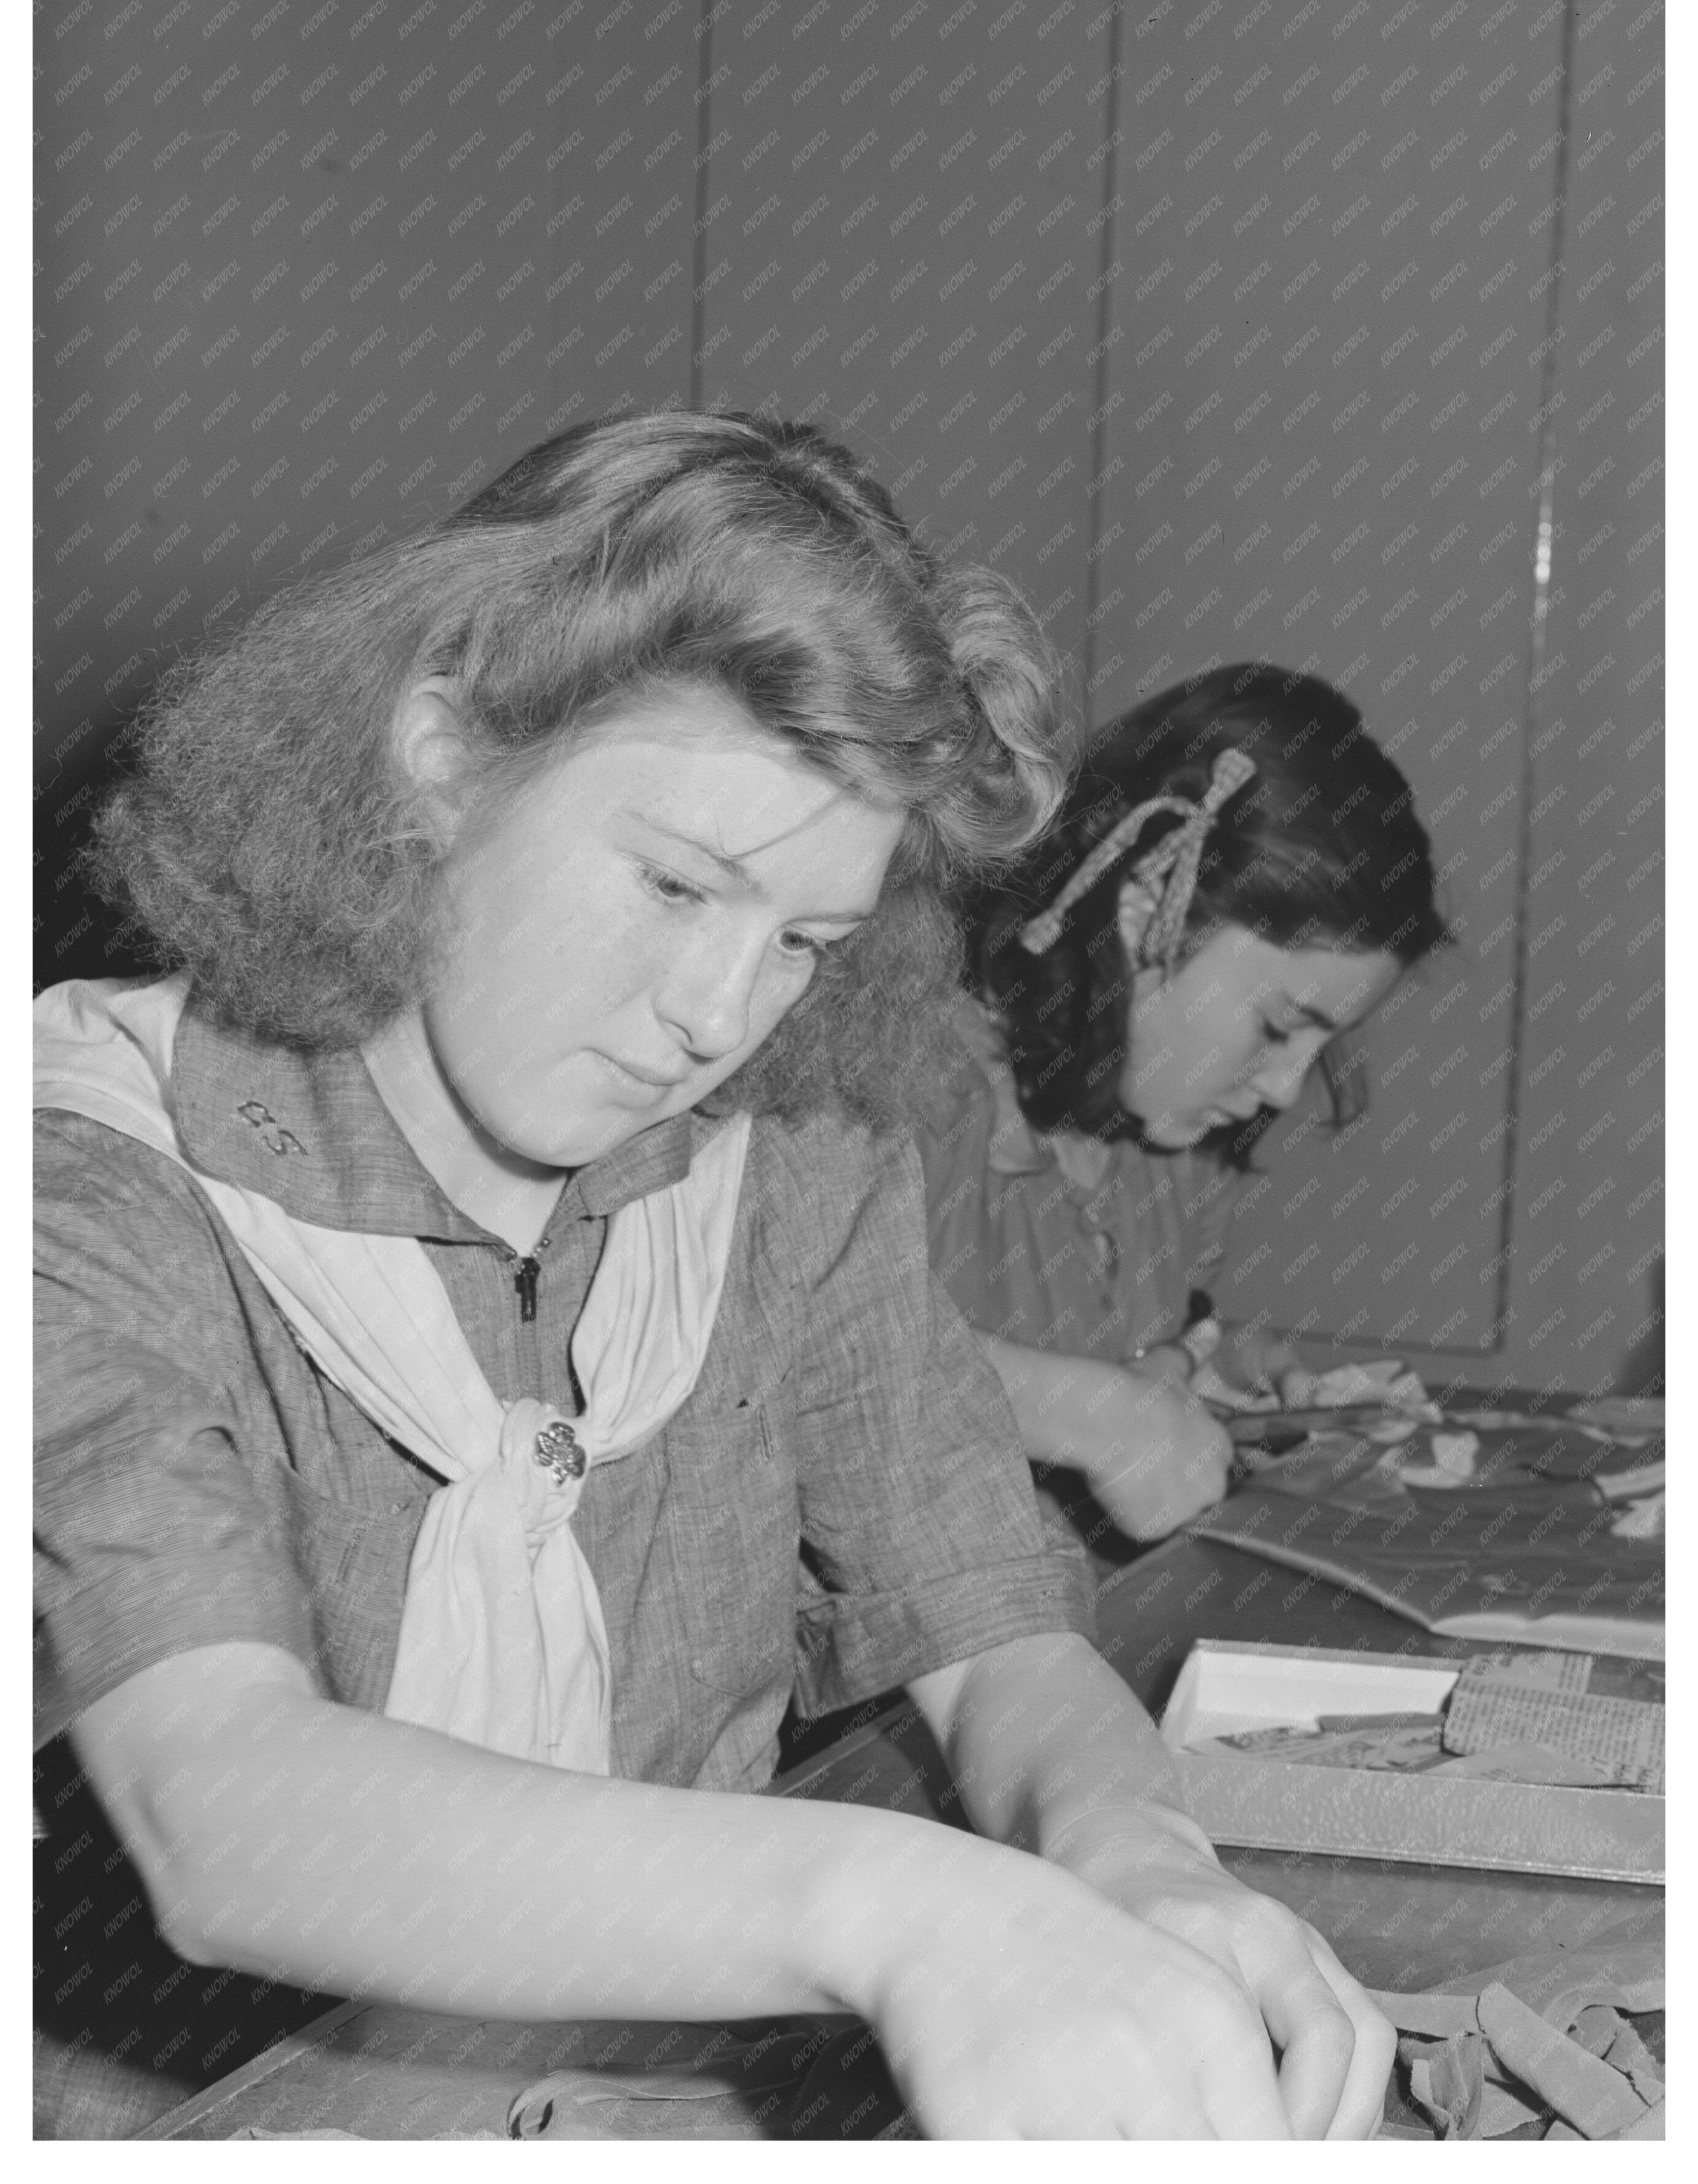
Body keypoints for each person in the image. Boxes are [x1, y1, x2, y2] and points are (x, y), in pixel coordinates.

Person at [35, 413, 1393, 2140]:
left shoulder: (793, 1164)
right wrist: (904, 1911)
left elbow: (992, 1642)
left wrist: (1132, 1858)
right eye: (678, 884)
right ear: (439, 760)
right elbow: (225, 1802)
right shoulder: (86, 1182)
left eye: (807, 942)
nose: (718, 1015)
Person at [916, 664, 1449, 1551]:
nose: (1284, 1087)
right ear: (1141, 918)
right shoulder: (897, 1082)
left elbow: (1120, 1340)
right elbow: (782, 1356)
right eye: (1279, 1024)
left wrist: (1211, 1361)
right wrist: (1073, 1410)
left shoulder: (1175, 1142)